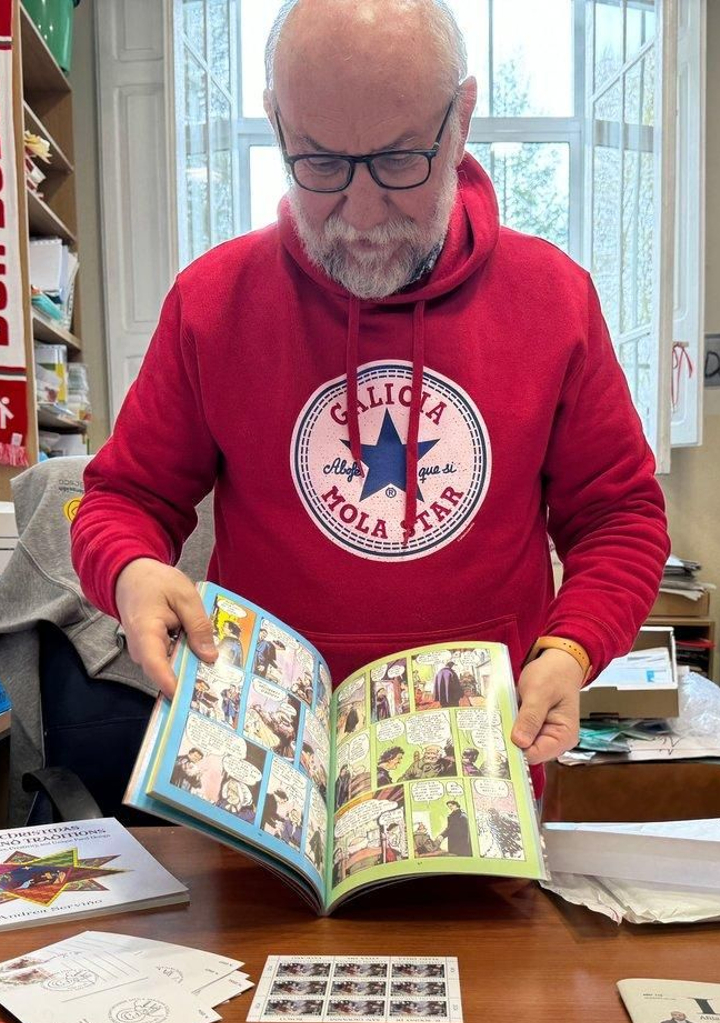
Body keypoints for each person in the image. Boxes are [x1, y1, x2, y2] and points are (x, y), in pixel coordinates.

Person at [72, 0, 669, 776]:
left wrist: (571, 646)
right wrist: (131, 571)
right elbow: (123, 498)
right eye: (318, 163)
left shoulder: (553, 298)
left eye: (397, 163)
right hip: (264, 759)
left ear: (461, 121)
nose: (358, 211)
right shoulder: (212, 301)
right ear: (276, 123)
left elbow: (620, 516)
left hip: (475, 763)